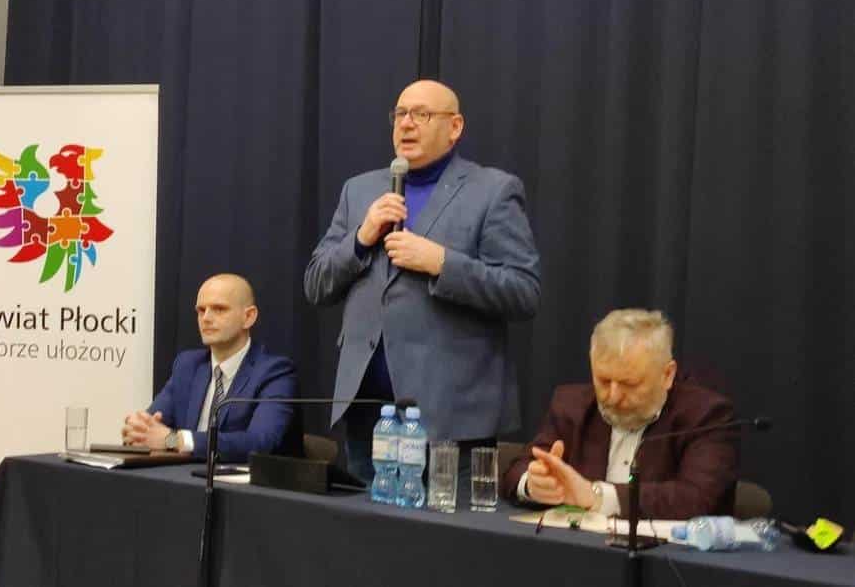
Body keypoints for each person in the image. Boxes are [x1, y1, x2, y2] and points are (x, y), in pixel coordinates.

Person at [304, 79, 540, 482]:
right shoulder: (359, 190)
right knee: (359, 522)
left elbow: (523, 291)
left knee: (440, 525)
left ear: (455, 127)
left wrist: (442, 263)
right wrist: (360, 239)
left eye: (422, 114)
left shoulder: (493, 190)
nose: (406, 124)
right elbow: (315, 283)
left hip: (449, 419)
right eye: (400, 114)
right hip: (368, 415)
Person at [501, 309, 738, 520]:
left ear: (667, 375)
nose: (612, 397)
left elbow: (698, 498)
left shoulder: (705, 416)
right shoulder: (572, 406)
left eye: (629, 384)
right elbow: (516, 471)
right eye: (603, 381)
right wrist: (534, 483)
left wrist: (597, 496)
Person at [122, 273, 300, 462]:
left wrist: (174, 440)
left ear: (248, 317)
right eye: (201, 310)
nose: (206, 318)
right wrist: (138, 431)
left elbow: (260, 442)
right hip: (182, 476)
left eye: (219, 309)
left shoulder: (275, 372)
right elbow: (151, 428)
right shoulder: (187, 365)